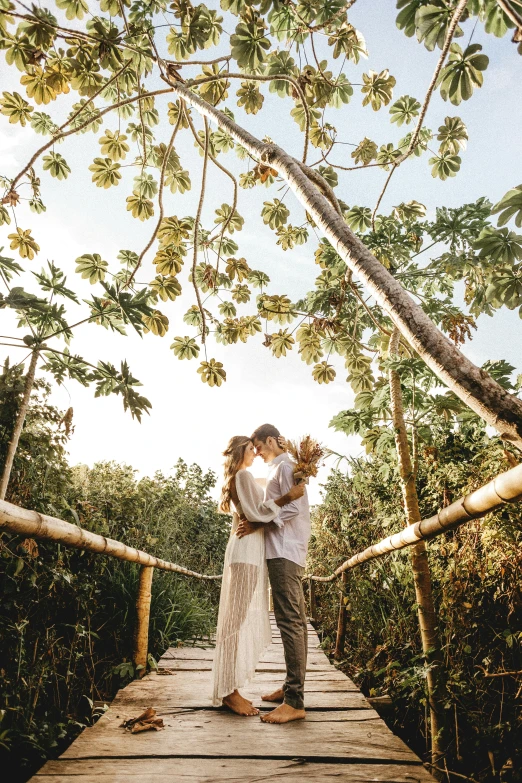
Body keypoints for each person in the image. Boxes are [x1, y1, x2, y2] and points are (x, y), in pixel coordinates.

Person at [211, 435, 305, 716]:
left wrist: (300, 475)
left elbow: (264, 497)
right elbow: (258, 511)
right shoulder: (242, 476)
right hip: (244, 555)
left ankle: (231, 688)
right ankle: (228, 692)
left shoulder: (245, 478)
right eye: (252, 449)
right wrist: (288, 496)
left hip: (248, 554)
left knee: (235, 621)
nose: (256, 453)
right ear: (242, 450)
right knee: (234, 622)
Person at [237, 424, 311, 724]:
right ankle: (291, 687)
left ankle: (295, 701)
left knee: (290, 622)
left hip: (284, 550)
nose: (257, 452)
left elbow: (292, 507)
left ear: (271, 440)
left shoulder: (285, 468)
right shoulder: (284, 466)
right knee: (296, 621)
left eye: (259, 446)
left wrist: (258, 523)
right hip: (285, 549)